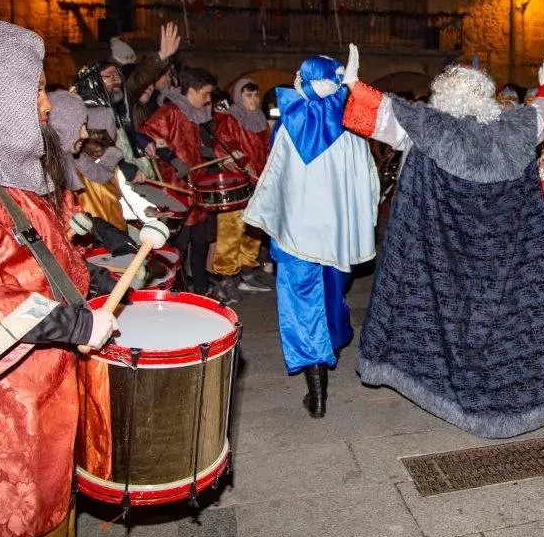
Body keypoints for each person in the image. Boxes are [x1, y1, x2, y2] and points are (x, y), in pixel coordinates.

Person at [346, 52, 544, 438]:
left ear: (444, 94)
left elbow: (379, 113)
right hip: (503, 260)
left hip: (443, 259)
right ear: (485, 96)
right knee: (503, 326)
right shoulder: (515, 129)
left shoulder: (427, 126)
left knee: (445, 320)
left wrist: (353, 84)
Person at [0, 20, 116, 537]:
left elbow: (45, 264)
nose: (45, 105)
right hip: (2, 420)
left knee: (56, 517)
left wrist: (93, 280)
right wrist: (72, 325)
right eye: (34, 90)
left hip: (45, 403)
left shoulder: (7, 182)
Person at [244, 49, 378, 419]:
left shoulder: (290, 122)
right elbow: (368, 183)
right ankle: (330, 353)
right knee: (331, 296)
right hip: (336, 239)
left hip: (297, 237)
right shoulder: (351, 125)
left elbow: (274, 177)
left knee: (303, 308)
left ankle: (317, 393)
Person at [139, 66, 215, 295]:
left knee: (200, 242)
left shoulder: (194, 114)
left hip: (196, 188)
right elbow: (146, 137)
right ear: (192, 90)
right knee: (178, 246)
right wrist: (171, 159)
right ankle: (175, 291)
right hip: (175, 190)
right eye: (205, 93)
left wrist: (206, 152)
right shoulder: (169, 112)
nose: (208, 99)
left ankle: (201, 289)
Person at [211, 79, 271, 294]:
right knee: (231, 229)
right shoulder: (231, 119)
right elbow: (222, 147)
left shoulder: (261, 119)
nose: (253, 100)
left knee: (253, 229)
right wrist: (241, 162)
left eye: (256, 95)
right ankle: (227, 280)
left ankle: (247, 272)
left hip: (258, 182)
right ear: (239, 96)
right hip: (237, 183)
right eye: (248, 95)